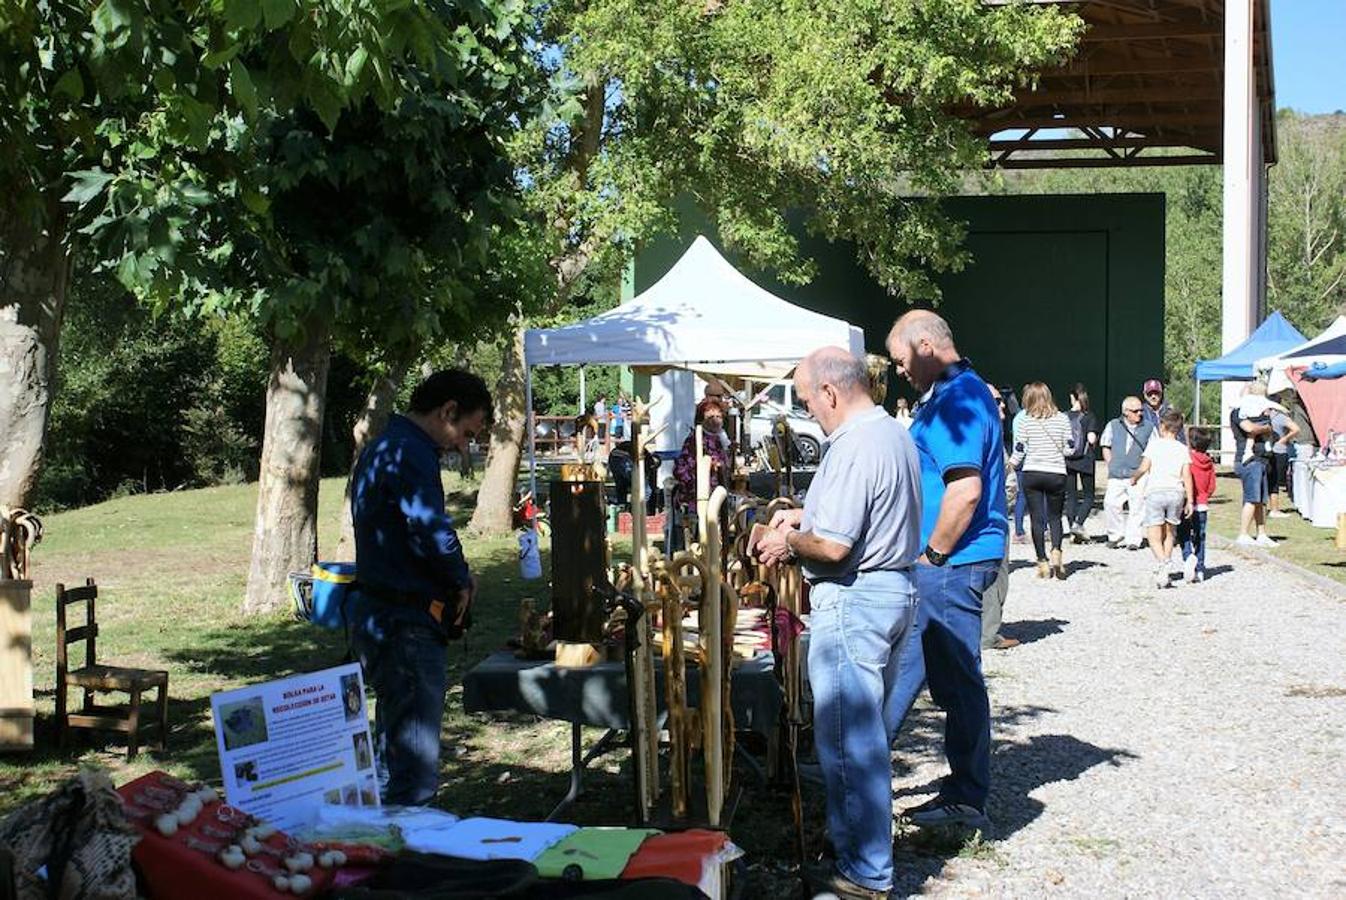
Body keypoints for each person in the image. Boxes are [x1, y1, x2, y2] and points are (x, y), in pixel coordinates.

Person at [754, 347, 921, 900]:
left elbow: (834, 544)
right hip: (891, 591)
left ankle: (866, 873)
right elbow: (867, 512)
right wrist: (806, 513)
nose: (809, 412)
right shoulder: (891, 432)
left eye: (807, 400)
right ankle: (858, 852)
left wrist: (788, 539)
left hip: (857, 599)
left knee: (851, 744)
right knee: (864, 737)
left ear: (830, 392)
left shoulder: (853, 444)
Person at [885, 310, 1005, 831]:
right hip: (945, 561)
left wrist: (932, 555)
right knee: (905, 664)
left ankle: (966, 797)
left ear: (927, 345)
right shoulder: (950, 395)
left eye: (901, 360)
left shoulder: (959, 399)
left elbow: (965, 489)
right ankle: (857, 762)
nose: (899, 371)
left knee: (957, 680)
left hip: (954, 561)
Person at [348, 369, 490, 804]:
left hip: (382, 614)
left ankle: (391, 842)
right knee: (412, 765)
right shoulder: (410, 451)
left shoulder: (387, 445)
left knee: (394, 744)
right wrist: (460, 580)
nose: (462, 446)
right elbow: (431, 530)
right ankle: (408, 853)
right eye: (465, 432)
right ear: (447, 410)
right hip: (404, 621)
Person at [1012, 381, 1072, 580]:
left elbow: (1019, 451)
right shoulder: (1062, 419)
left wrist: (1009, 466)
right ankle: (1056, 551)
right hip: (1056, 473)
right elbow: (1069, 448)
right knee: (1055, 517)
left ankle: (1042, 562)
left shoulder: (1025, 420)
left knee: (1037, 519)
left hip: (1033, 472)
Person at [1130, 407, 1194, 589]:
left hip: (1156, 491)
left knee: (1153, 532)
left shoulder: (1155, 445)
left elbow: (1144, 467)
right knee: (1170, 531)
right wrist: (1190, 499)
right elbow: (1186, 475)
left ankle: (1162, 562)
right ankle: (1166, 563)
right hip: (1176, 492)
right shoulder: (1182, 449)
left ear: (1162, 426)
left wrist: (1135, 477)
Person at [981, 382, 1018, 651]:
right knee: (994, 573)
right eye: (996, 400)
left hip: (998, 512)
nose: (1002, 405)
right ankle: (988, 634)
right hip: (989, 516)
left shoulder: (991, 433)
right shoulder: (983, 435)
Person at [1100, 396, 1153, 549]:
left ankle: (1133, 540)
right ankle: (1115, 535)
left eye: (1141, 410)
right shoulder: (1113, 425)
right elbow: (1105, 445)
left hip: (1139, 473)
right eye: (1135, 411)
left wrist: (1144, 470)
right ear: (1125, 412)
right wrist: (1111, 464)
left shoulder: (1149, 427)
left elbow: (1153, 450)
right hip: (1116, 474)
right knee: (1110, 503)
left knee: (1137, 506)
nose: (1139, 413)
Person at [1231, 383, 1276, 547]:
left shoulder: (1260, 412)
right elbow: (1249, 428)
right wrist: (1266, 428)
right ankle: (1243, 533)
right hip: (1249, 460)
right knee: (1251, 498)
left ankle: (1261, 533)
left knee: (1261, 500)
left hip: (1262, 459)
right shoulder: (1238, 412)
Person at [672, 398, 731, 517]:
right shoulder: (694, 440)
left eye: (718, 417)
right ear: (701, 419)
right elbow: (680, 470)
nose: (716, 420)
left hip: (717, 498)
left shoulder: (719, 440)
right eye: (710, 417)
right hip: (697, 500)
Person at [1178, 427, 1216, 583]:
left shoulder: (1187, 459)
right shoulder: (1209, 462)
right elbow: (1212, 486)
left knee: (1184, 533)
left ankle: (1188, 556)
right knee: (1200, 537)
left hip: (1187, 503)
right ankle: (1200, 568)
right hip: (1202, 505)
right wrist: (1205, 496)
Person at [1064, 384, 1099, 543]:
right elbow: (1091, 439)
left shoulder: (1064, 417)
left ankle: (1072, 529)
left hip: (1068, 459)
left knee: (1071, 496)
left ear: (1072, 397)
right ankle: (1078, 524)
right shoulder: (1089, 416)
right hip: (1085, 460)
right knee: (1089, 496)